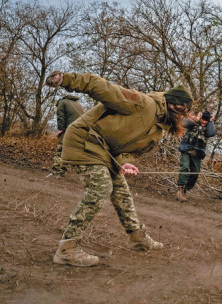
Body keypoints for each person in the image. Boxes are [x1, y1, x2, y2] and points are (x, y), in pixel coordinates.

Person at [44, 71, 193, 267]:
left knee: (121, 191)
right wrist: (67, 80)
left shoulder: (158, 129)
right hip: (84, 139)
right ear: (175, 106)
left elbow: (126, 147)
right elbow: (104, 88)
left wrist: (124, 161)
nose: (183, 118)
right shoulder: (143, 103)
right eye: (184, 113)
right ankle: (67, 249)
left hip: (104, 150)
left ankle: (137, 238)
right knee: (101, 188)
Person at [176, 110, 216, 202]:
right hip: (186, 150)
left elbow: (211, 133)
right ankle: (180, 191)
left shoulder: (208, 127)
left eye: (206, 121)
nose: (204, 122)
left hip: (197, 154)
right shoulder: (193, 123)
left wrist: (211, 121)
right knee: (185, 168)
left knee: (195, 173)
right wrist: (196, 119)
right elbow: (183, 123)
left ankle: (185, 189)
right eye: (203, 120)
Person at [47, 94, 84, 177]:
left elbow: (60, 117)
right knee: (73, 152)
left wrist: (61, 130)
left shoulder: (62, 102)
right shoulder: (78, 104)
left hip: (70, 130)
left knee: (60, 150)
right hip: (80, 131)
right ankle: (63, 171)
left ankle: (56, 173)